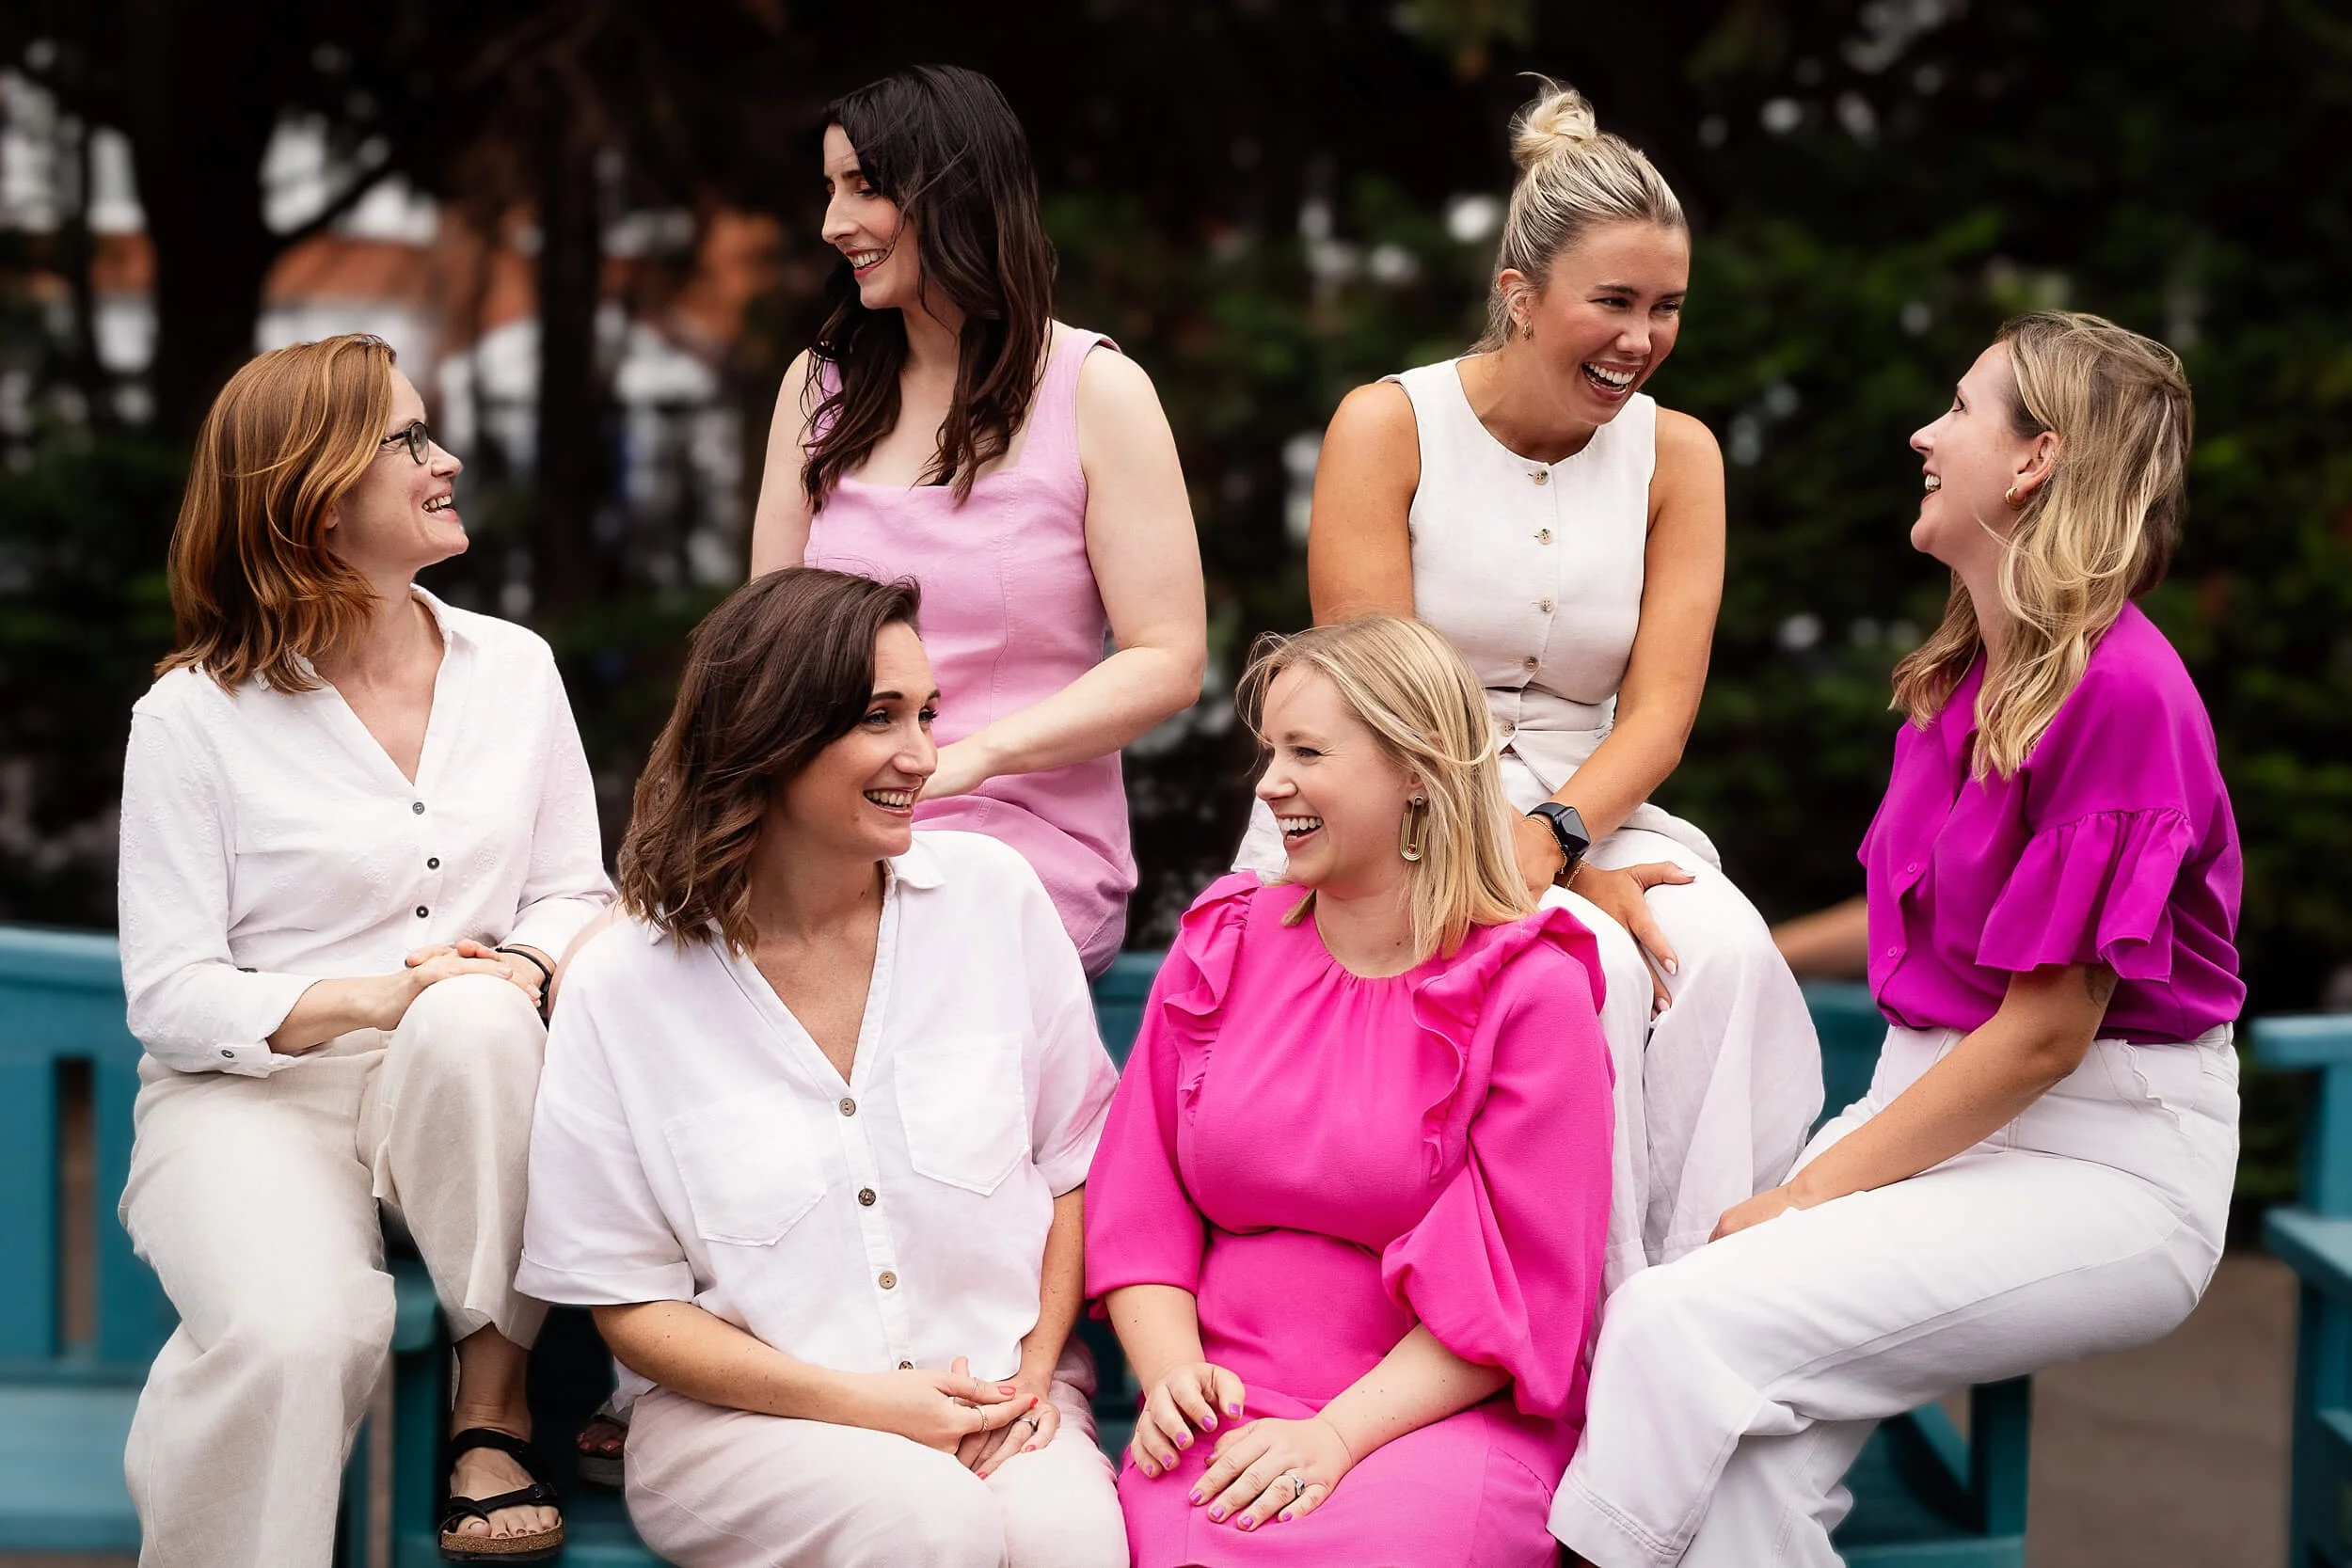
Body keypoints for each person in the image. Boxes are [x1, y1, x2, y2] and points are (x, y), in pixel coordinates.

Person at [1550, 311, 2241, 1567]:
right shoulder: (1967, 674)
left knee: (1671, 1323)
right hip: (1932, 1111)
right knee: (1741, 1464)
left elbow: (2041, 1034)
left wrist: (1809, 1191)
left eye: (1962, 409)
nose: (1925, 433)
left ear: (2035, 460)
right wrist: (1715, 928)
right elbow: (1924, 919)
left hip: (2098, 1161)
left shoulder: (2124, 694)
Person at [1254, 80, 1820, 1289]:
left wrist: (1563, 836)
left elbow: (1661, 709)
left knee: (1719, 953)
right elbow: (1375, 696)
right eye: (1611, 301)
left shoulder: (1680, 454)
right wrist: (1506, 852)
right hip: (1396, 795)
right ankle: (1570, 1319)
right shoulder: (1385, 424)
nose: (1641, 338)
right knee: (1591, 966)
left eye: (1665, 307)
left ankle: (1704, 1302)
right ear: (1519, 295)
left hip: (1591, 794)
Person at [115, 334, 612, 1566]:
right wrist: (374, 995)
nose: (443, 461)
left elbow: (573, 891)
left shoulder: (518, 669)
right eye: (406, 441)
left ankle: (490, 1411)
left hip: (462, 1078)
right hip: (251, 1100)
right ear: (314, 494)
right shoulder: (191, 718)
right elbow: (173, 994)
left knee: (483, 1016)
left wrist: (526, 966)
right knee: (297, 1331)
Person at [516, 567, 1128, 1568]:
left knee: (1073, 1547)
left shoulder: (994, 899)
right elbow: (627, 1302)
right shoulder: (625, 982)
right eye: (879, 717)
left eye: (927, 713)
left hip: (998, 1388)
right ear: (771, 731)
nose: (923, 755)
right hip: (743, 1422)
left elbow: (1072, 1167)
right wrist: (869, 1404)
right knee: (931, 1531)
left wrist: (1024, 1374)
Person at [1089, 616, 1616, 1566]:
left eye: (1306, 751)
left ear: (1414, 770)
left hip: (1432, 1416)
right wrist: (1169, 1374)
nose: (1269, 782)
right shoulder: (1222, 942)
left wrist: (1333, 1436)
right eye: (1268, 750)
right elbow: (1139, 1197)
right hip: (1224, 1398)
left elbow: (1527, 1285)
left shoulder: (1530, 989)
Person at [748, 61, 1205, 975]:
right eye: (829, 190)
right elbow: (767, 646)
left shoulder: (1095, 390)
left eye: (863, 189)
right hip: (830, 833)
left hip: (1019, 845)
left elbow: (1168, 658)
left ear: (949, 191)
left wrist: (970, 759)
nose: (834, 224)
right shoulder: (815, 389)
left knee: (903, 944)